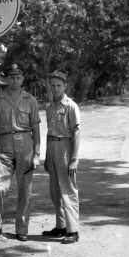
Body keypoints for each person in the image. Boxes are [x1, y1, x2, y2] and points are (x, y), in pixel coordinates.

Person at [0, 63, 41, 242]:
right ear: (6, 79)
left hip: (25, 144)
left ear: (22, 79)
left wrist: (37, 154)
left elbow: (36, 128)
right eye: (11, 77)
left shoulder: (30, 100)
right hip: (4, 145)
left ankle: (22, 229)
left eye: (18, 77)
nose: (15, 81)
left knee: (25, 190)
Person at [42, 71, 82, 244]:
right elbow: (48, 132)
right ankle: (61, 226)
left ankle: (73, 230)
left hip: (65, 148)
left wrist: (74, 159)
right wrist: (46, 156)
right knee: (55, 191)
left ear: (65, 86)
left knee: (68, 190)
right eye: (53, 85)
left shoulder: (71, 106)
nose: (56, 88)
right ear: (50, 87)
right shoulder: (49, 106)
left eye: (59, 85)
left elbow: (77, 133)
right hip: (51, 148)